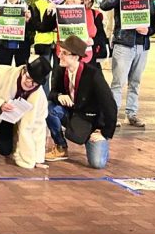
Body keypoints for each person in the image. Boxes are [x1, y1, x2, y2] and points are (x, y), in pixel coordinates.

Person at [46, 36, 117, 167]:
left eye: (64, 53)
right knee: (49, 108)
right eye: (60, 52)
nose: (59, 55)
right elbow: (52, 93)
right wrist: (59, 96)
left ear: (75, 57)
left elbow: (110, 104)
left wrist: (105, 132)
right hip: (72, 116)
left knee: (97, 163)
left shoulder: (93, 74)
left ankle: (96, 142)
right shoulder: (60, 70)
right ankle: (61, 146)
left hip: (91, 122)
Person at [0, 57, 51, 168]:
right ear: (24, 71)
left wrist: (37, 158)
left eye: (35, 83)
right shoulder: (2, 74)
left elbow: (38, 125)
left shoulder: (39, 97)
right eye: (28, 78)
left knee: (5, 150)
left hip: (10, 118)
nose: (29, 83)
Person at [101, 0, 155, 128]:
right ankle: (112, 116)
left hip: (142, 46)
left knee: (135, 82)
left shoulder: (150, 1)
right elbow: (104, 5)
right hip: (124, 45)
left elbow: (153, 25)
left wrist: (148, 31)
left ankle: (131, 114)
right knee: (118, 82)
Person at [29, 0, 65, 93]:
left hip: (61, 43)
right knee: (44, 71)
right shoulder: (38, 4)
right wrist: (48, 12)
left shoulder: (66, 4)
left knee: (58, 72)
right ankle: (44, 97)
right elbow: (37, 25)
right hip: (43, 42)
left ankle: (55, 96)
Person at [0, 0, 33, 67]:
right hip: (4, 46)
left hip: (22, 46)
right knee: (4, 71)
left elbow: (33, 27)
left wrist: (29, 20)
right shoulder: (1, 8)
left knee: (22, 70)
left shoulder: (27, 7)